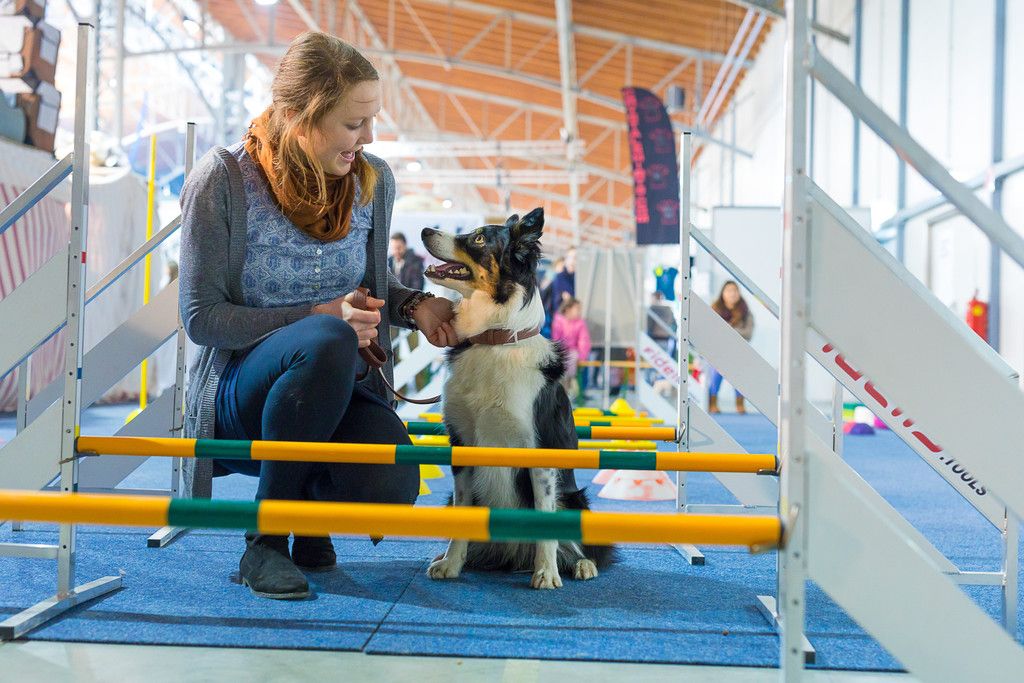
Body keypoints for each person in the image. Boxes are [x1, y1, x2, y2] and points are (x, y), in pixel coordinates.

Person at [178, 32, 458, 600]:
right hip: (240, 396)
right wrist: (317, 315)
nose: (369, 136)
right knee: (327, 338)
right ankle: (265, 541)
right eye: (354, 123)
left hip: (337, 386)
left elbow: (373, 289)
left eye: (372, 120)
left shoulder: (373, 181)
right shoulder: (223, 179)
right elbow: (201, 318)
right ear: (302, 119)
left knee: (392, 482)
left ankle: (306, 512)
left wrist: (416, 306)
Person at [707, 280, 753, 414]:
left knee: (740, 376)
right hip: (718, 352)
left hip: (738, 352)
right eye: (728, 290)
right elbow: (711, 331)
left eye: (735, 290)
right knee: (715, 373)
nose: (732, 293)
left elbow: (748, 333)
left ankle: (740, 404)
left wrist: (727, 330)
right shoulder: (714, 309)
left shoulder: (745, 312)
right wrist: (732, 331)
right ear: (722, 293)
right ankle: (712, 403)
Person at [551, 297, 591, 401]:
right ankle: (564, 386)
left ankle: (571, 383)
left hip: (574, 351)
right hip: (562, 351)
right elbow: (556, 339)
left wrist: (582, 356)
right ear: (568, 309)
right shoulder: (558, 321)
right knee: (562, 359)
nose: (579, 311)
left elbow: (584, 341)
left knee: (573, 356)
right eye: (577, 309)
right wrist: (559, 352)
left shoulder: (580, 323)